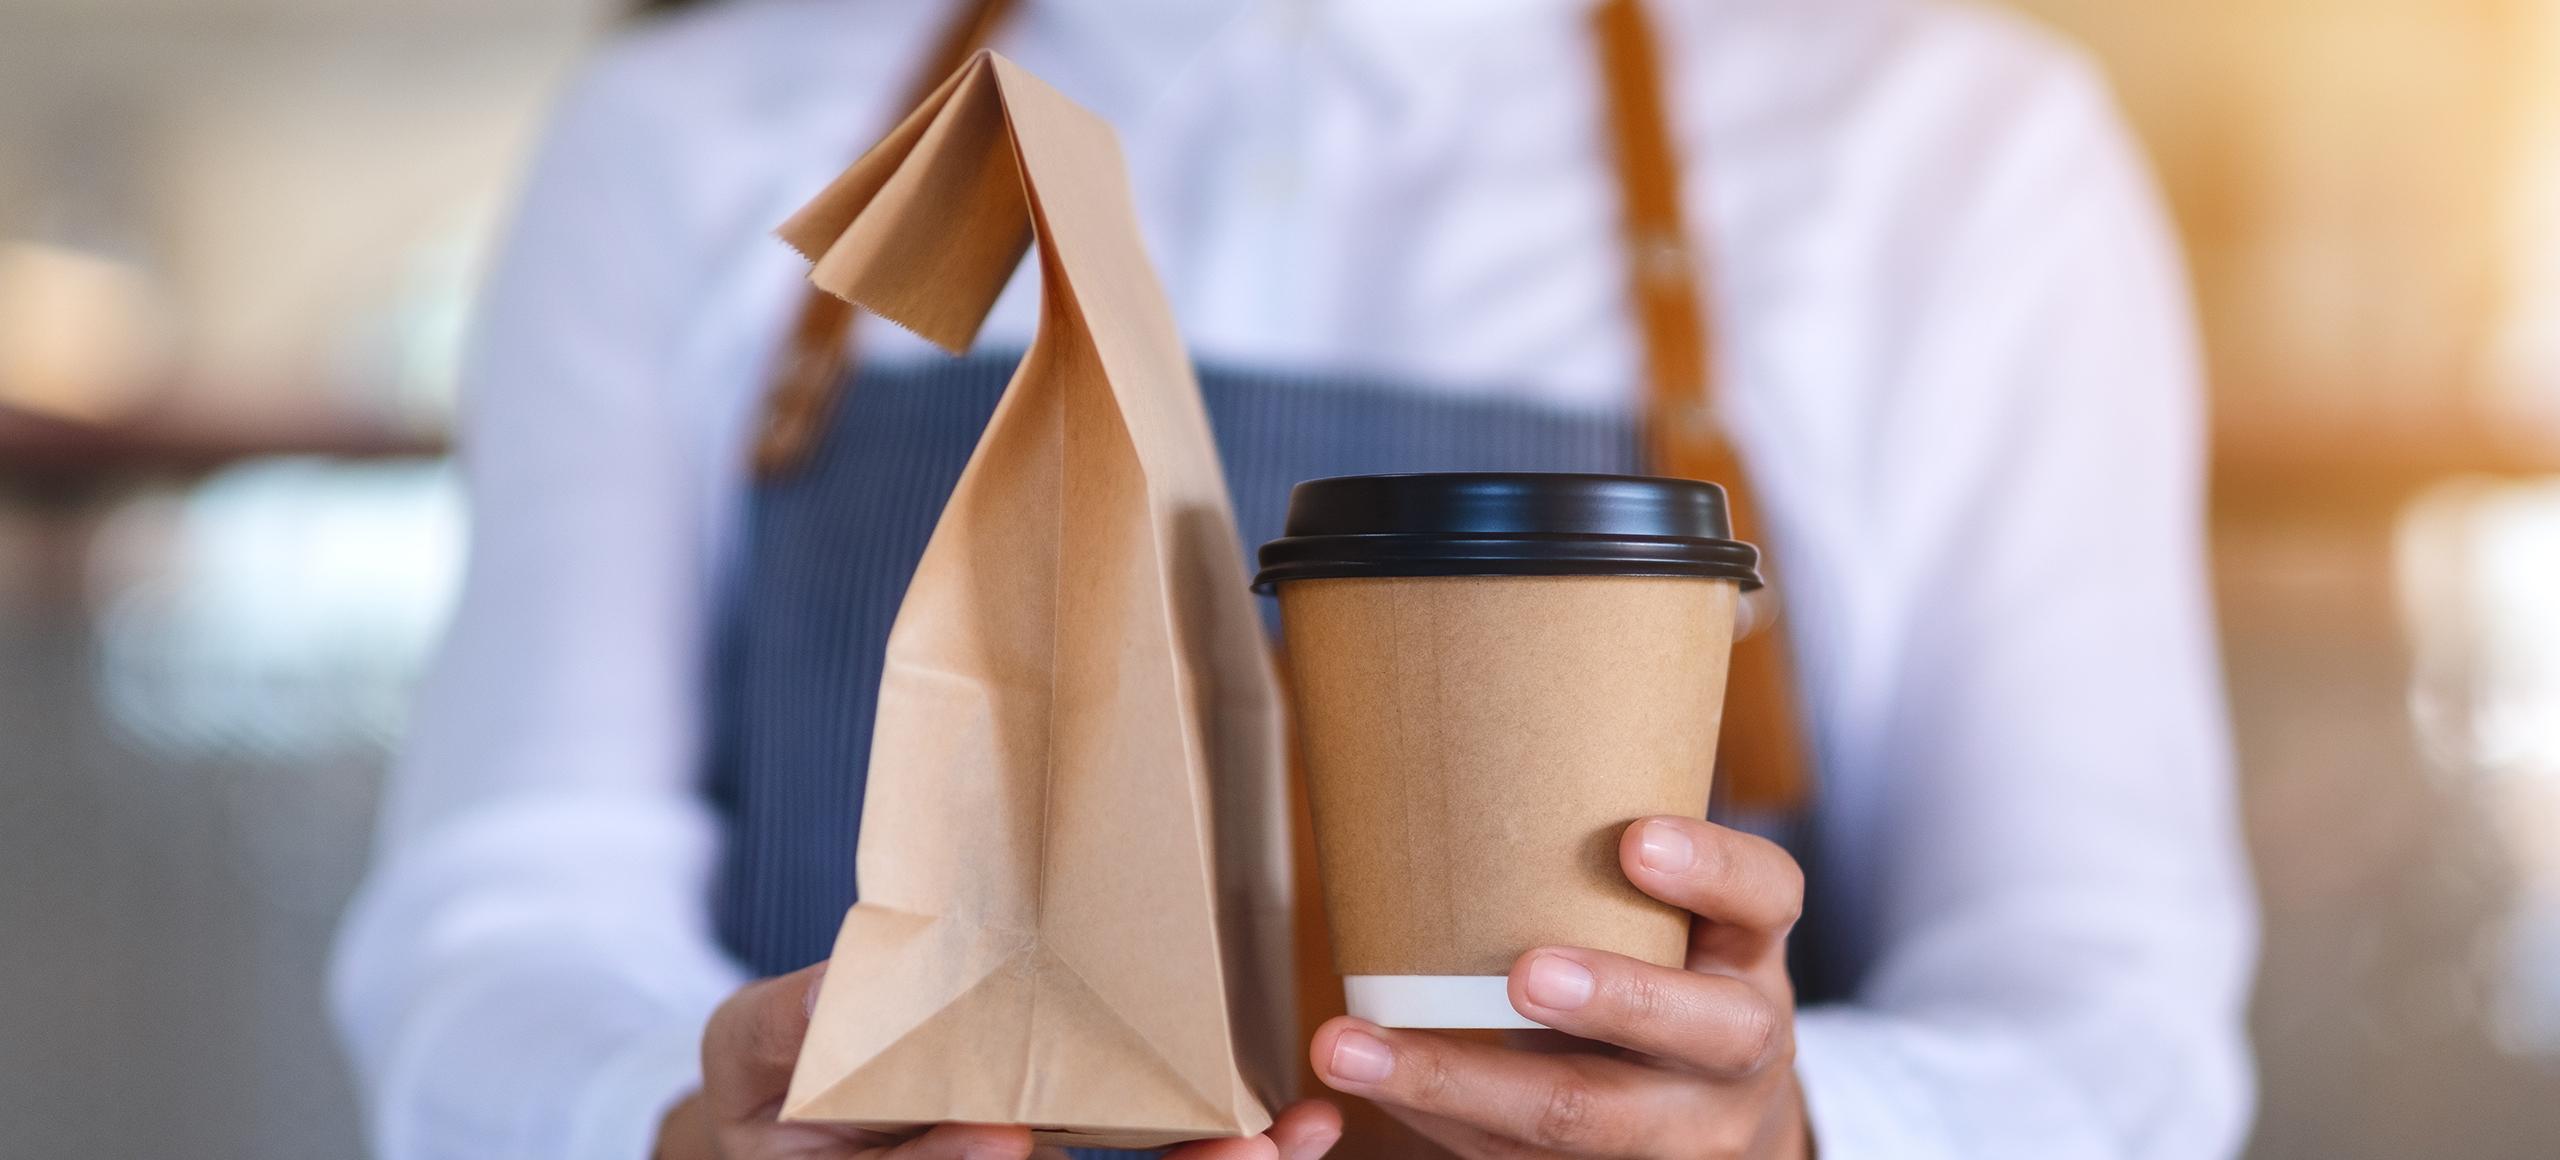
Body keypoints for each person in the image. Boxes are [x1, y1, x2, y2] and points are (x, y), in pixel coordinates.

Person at [328, 0, 2259, 1158]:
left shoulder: (1940, 152)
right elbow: (507, 908)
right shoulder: (696, 130)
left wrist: (1802, 1125)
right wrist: (663, 1117)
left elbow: (2117, 1015)